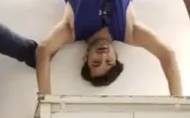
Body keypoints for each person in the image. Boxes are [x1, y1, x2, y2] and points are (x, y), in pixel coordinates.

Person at [37, 0, 181, 95]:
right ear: (116, 56)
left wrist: (45, 99)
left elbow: (43, 50)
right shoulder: (130, 32)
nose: (103, 55)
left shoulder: (71, 30)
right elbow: (167, 54)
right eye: (109, 61)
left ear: (86, 57)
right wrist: (178, 107)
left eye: (96, 62)